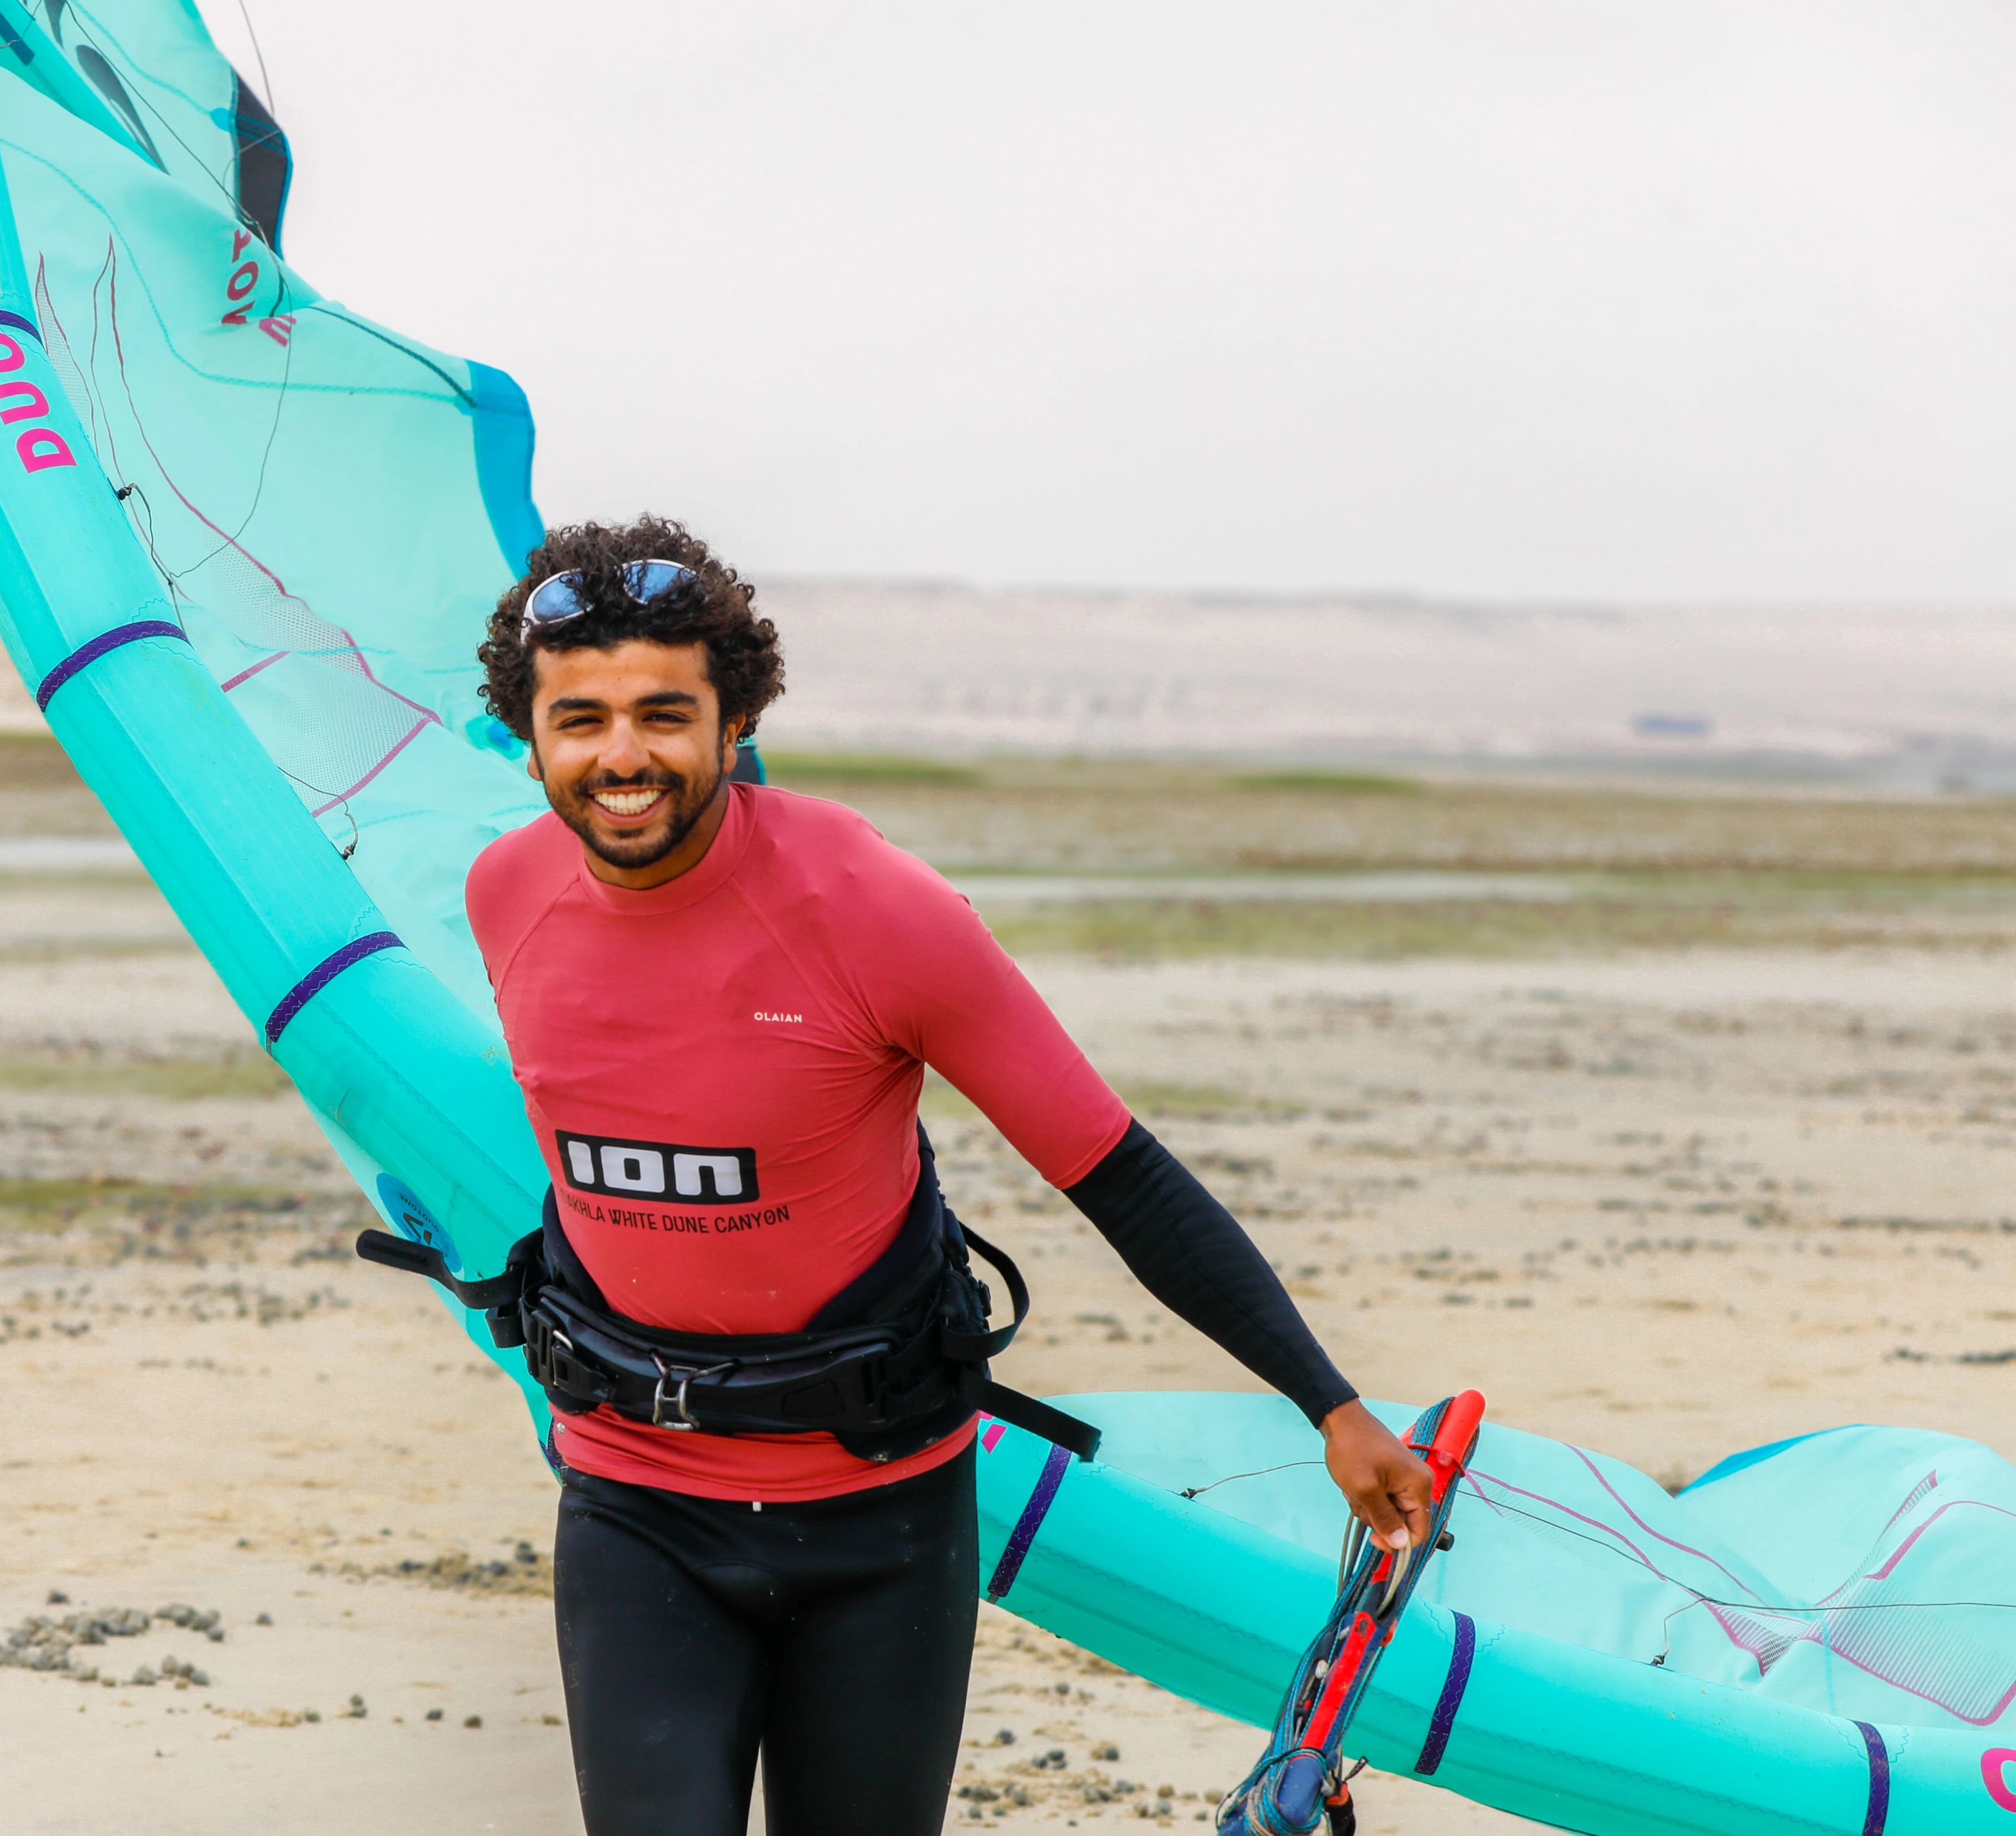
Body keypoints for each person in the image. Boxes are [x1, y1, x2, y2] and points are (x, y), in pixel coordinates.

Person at [463, 516, 1433, 1836]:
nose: (622, 756)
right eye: (579, 720)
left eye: (662, 714)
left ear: (732, 717)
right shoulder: (505, 895)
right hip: (636, 1507)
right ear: (527, 733)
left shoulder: (878, 912)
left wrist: (1328, 1404)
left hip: (880, 1523)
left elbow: (1118, 1173)